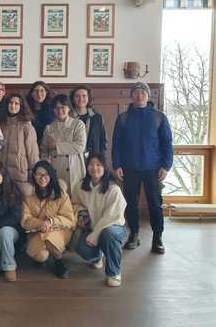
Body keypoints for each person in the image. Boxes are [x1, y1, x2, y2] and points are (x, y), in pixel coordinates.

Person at [112, 82, 173, 254]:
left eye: (143, 93)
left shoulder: (159, 117)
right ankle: (134, 234)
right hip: (129, 168)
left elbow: (167, 143)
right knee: (130, 203)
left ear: (148, 95)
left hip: (153, 169)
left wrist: (166, 166)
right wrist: (116, 165)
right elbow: (116, 144)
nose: (140, 95)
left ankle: (157, 237)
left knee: (155, 204)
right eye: (136, 92)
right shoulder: (123, 118)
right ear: (132, 96)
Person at [72, 153, 127, 287]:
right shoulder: (80, 187)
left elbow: (110, 217)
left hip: (114, 227)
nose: (94, 167)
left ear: (104, 168)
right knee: (82, 248)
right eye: (91, 164)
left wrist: (95, 235)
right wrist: (81, 214)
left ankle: (114, 272)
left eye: (98, 164)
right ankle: (97, 257)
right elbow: (75, 204)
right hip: (92, 227)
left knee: (108, 234)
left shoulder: (114, 189)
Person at [22, 160, 74, 279]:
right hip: (37, 231)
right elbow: (25, 221)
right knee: (41, 256)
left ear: (51, 175)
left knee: (49, 238)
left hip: (59, 230)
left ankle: (59, 261)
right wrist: (40, 223)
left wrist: (50, 221)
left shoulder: (61, 195)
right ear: (34, 176)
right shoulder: (28, 197)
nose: (42, 178)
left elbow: (69, 219)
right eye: (38, 174)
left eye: (45, 174)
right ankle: (48, 253)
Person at [41, 94, 86, 195]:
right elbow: (44, 150)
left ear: (69, 108)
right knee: (57, 199)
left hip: (74, 169)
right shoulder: (48, 128)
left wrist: (56, 146)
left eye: (63, 107)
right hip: (55, 169)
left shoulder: (78, 124)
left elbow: (80, 146)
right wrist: (45, 170)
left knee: (76, 201)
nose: (60, 110)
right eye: (56, 108)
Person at [0, 93, 39, 196]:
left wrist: (33, 172)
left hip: (20, 174)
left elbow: (32, 152)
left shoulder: (27, 126)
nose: (13, 106)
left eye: (17, 104)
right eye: (11, 103)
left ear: (21, 107)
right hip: (2, 173)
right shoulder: (1, 124)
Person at [69, 85, 107, 155]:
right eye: (77, 96)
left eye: (84, 96)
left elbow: (103, 140)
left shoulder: (97, 117)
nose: (81, 99)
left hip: (93, 157)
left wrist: (101, 157)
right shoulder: (68, 117)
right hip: (73, 157)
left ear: (88, 98)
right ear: (73, 98)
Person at [26, 81, 55, 147]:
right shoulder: (25, 108)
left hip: (49, 144)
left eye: (42, 91)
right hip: (30, 143)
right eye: (36, 91)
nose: (39, 94)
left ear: (46, 92)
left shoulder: (53, 107)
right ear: (31, 94)